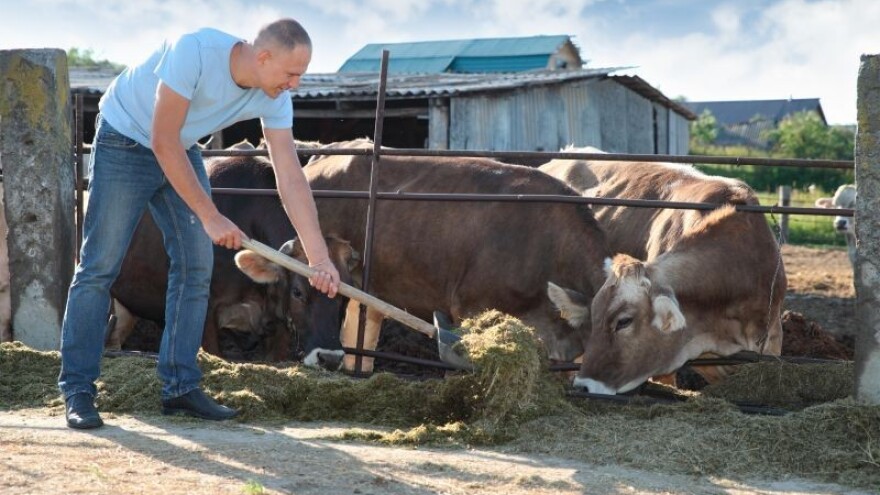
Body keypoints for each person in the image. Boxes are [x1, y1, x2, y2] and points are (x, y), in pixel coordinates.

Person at [58, 18, 340, 429]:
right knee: (100, 265)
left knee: (195, 267)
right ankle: (78, 390)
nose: (295, 84)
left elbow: (291, 177)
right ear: (263, 57)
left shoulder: (275, 95)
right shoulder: (195, 52)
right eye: (291, 74)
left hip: (179, 145)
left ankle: (179, 388)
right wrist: (210, 216)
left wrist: (319, 259)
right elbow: (161, 140)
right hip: (127, 138)